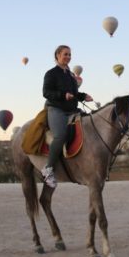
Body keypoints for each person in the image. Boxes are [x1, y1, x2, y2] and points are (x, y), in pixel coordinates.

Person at [41, 45, 93, 188]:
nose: (68, 57)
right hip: (56, 109)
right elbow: (46, 92)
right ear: (57, 55)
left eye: (70, 54)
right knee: (60, 135)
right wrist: (62, 95)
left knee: (90, 125)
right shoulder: (51, 73)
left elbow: (74, 93)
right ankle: (48, 169)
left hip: (72, 110)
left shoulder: (71, 75)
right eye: (65, 54)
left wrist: (83, 96)